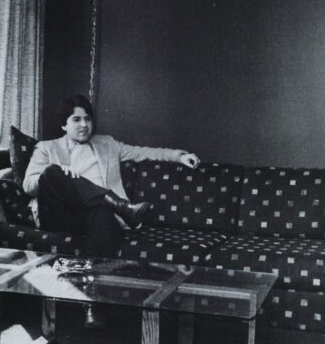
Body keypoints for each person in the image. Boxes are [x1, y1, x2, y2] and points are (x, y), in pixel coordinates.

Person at [22, 94, 200, 258]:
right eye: (76, 119)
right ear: (64, 125)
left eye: (87, 119)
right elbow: (28, 185)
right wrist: (59, 172)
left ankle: (94, 281)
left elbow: (142, 152)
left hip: (93, 214)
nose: (84, 125)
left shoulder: (107, 143)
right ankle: (122, 206)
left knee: (103, 213)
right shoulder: (46, 148)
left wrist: (179, 156)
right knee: (52, 171)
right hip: (60, 215)